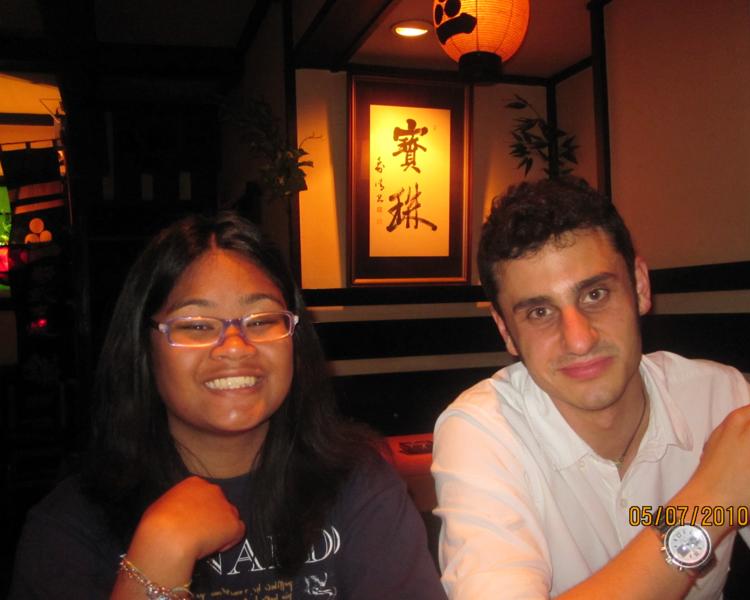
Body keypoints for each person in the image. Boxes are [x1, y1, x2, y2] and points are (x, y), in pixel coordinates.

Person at [11, 213, 446, 599]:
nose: (236, 346)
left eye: (262, 320)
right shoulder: (71, 527)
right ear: (144, 348)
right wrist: (156, 559)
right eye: (197, 325)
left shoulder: (360, 488)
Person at [432, 178, 750, 599]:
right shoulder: (484, 431)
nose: (579, 340)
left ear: (640, 287)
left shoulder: (719, 399)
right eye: (539, 312)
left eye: (595, 294)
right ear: (506, 332)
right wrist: (711, 502)